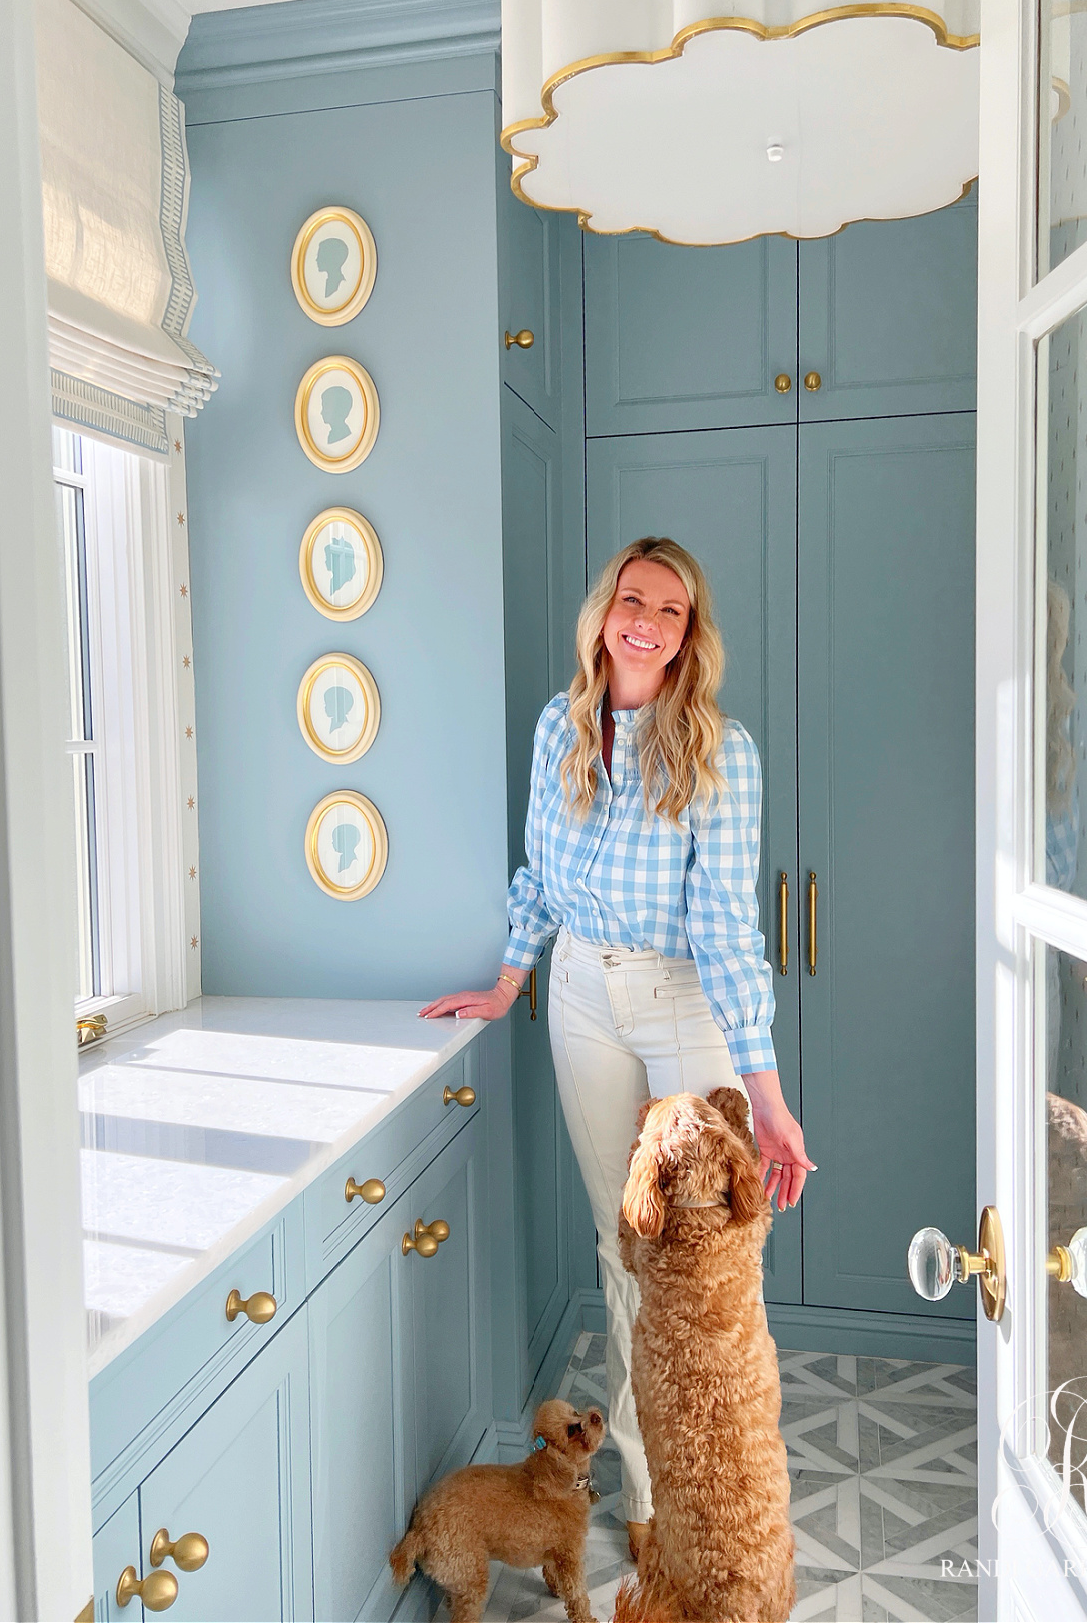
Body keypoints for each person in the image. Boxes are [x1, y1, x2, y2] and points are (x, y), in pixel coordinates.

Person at [421, 535, 814, 1560]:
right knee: (624, 1252)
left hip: (686, 1001)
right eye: (630, 599)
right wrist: (507, 982)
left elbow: (727, 927)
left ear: (688, 638)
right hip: (582, 995)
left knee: (711, 1264)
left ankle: (724, 1497)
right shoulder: (560, 724)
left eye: (669, 610)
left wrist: (764, 1096)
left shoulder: (718, 750)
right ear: (602, 614)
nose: (644, 620)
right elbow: (538, 879)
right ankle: (647, 1497)